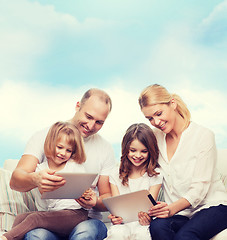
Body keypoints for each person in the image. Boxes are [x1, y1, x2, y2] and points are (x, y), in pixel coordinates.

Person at [10, 88, 116, 240]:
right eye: (88, 116)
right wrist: (35, 179)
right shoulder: (45, 137)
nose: (91, 125)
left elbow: (106, 197)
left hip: (86, 219)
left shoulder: (105, 148)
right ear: (78, 106)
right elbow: (15, 181)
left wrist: (94, 202)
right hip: (50, 220)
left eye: (99, 122)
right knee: (36, 235)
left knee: (86, 232)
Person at [138, 84, 227, 240]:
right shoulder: (155, 138)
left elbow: (199, 189)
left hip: (212, 206)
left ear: (173, 103)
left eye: (159, 113)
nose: (156, 121)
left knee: (185, 236)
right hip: (181, 212)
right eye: (150, 118)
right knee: (157, 226)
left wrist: (171, 209)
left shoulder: (203, 135)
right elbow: (139, 167)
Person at [1, 121, 96, 240]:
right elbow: (42, 201)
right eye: (60, 147)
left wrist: (87, 195)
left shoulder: (75, 166)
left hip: (75, 214)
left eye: (68, 150)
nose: (63, 153)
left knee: (34, 218)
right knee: (21, 218)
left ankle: (5, 238)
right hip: (52, 215)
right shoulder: (39, 170)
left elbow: (84, 192)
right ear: (50, 143)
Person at [106, 123, 163, 240]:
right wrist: (115, 218)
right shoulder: (115, 173)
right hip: (121, 224)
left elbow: (150, 208)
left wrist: (147, 218)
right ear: (126, 149)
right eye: (133, 150)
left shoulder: (155, 174)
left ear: (150, 151)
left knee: (142, 235)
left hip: (143, 225)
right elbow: (116, 208)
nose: (138, 155)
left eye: (144, 151)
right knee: (117, 234)